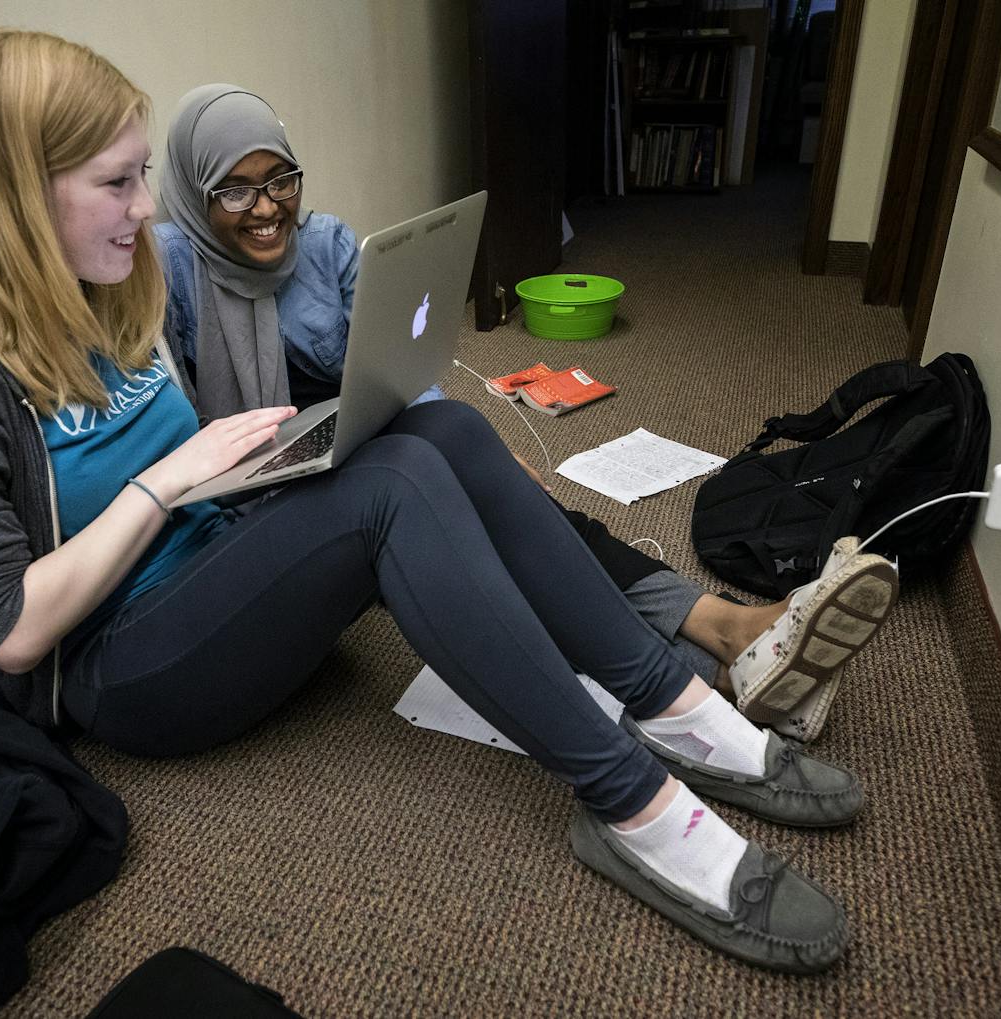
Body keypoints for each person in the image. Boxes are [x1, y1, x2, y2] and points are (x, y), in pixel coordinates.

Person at [0, 30, 895, 975]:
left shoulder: (110, 289)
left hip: (226, 549)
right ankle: (630, 801)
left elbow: (212, 435)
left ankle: (671, 703)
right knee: (394, 485)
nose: (143, 206)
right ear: (15, 192)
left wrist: (272, 452)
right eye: (118, 181)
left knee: (436, 428)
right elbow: (7, 636)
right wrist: (162, 480)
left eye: (141, 178)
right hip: (126, 667)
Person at [154, 85, 894, 743]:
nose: (268, 208)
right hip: (259, 492)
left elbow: (396, 377)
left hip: (355, 443)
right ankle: (726, 655)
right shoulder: (166, 271)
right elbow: (174, 435)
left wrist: (493, 458)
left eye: (280, 179)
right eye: (236, 192)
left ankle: (727, 644)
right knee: (477, 543)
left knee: (514, 502)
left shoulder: (327, 245)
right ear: (193, 193)